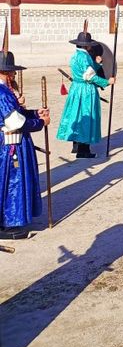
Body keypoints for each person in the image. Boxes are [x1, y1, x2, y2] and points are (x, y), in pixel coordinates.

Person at [0, 42, 49, 240]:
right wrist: (39, 122)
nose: (13, 76)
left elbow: (17, 113)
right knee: (12, 181)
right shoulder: (2, 93)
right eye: (10, 72)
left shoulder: (5, 90)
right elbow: (14, 121)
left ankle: (13, 219)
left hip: (13, 141)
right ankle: (8, 223)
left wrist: (34, 113)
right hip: (10, 143)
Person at [57, 22, 115, 158]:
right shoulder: (84, 57)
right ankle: (84, 150)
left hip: (76, 88)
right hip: (85, 90)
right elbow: (90, 76)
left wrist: (97, 63)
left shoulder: (76, 55)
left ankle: (76, 146)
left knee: (76, 115)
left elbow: (85, 70)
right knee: (86, 116)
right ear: (87, 46)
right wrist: (107, 82)